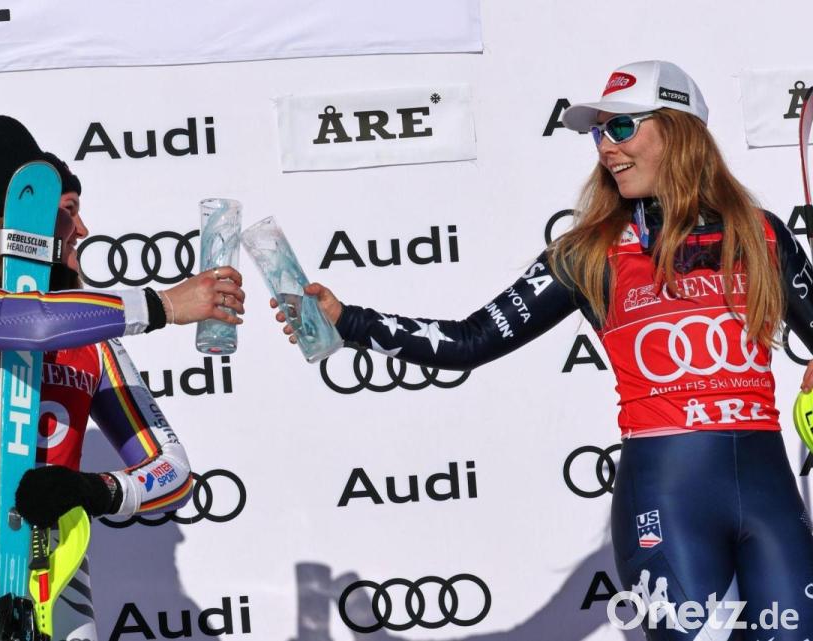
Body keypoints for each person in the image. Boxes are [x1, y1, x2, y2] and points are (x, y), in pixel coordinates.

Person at [275, 61, 813, 638]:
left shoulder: (763, 233)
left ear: (680, 130)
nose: (605, 147)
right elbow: (469, 341)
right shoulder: (589, 253)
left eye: (621, 127)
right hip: (669, 505)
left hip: (772, 499)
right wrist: (348, 320)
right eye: (598, 132)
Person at [0, 115, 245, 641]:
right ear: (24, 216)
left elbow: (174, 471)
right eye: (69, 211)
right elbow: (25, 322)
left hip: (55, 568)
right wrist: (164, 304)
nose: (83, 229)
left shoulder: (94, 340)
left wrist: (94, 489)